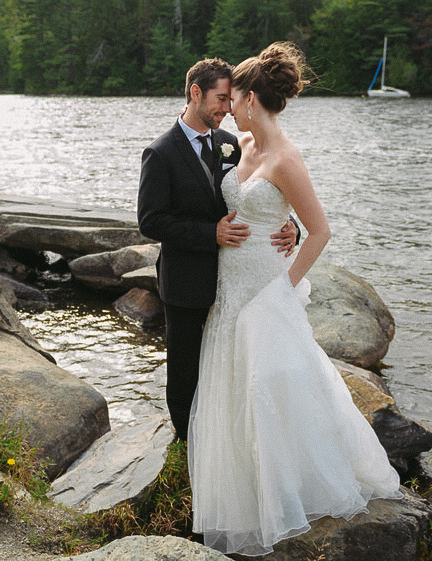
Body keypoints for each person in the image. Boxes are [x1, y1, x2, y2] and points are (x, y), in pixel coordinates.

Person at [187, 43, 402, 556]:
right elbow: (267, 210)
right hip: (229, 287)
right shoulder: (238, 142)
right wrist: (282, 224)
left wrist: (283, 289)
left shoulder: (286, 156)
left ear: (252, 97)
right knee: (232, 384)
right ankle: (240, 496)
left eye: (233, 96)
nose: (228, 105)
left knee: (272, 387)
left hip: (264, 288)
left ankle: (292, 490)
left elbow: (321, 230)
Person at [137, 58, 298, 442]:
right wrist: (210, 233)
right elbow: (150, 222)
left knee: (228, 363)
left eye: (231, 100)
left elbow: (263, 194)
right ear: (196, 94)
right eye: (221, 99)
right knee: (185, 367)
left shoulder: (231, 144)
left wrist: (291, 226)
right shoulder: (160, 153)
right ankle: (185, 442)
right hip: (186, 278)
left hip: (234, 278)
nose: (228, 108)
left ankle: (226, 438)